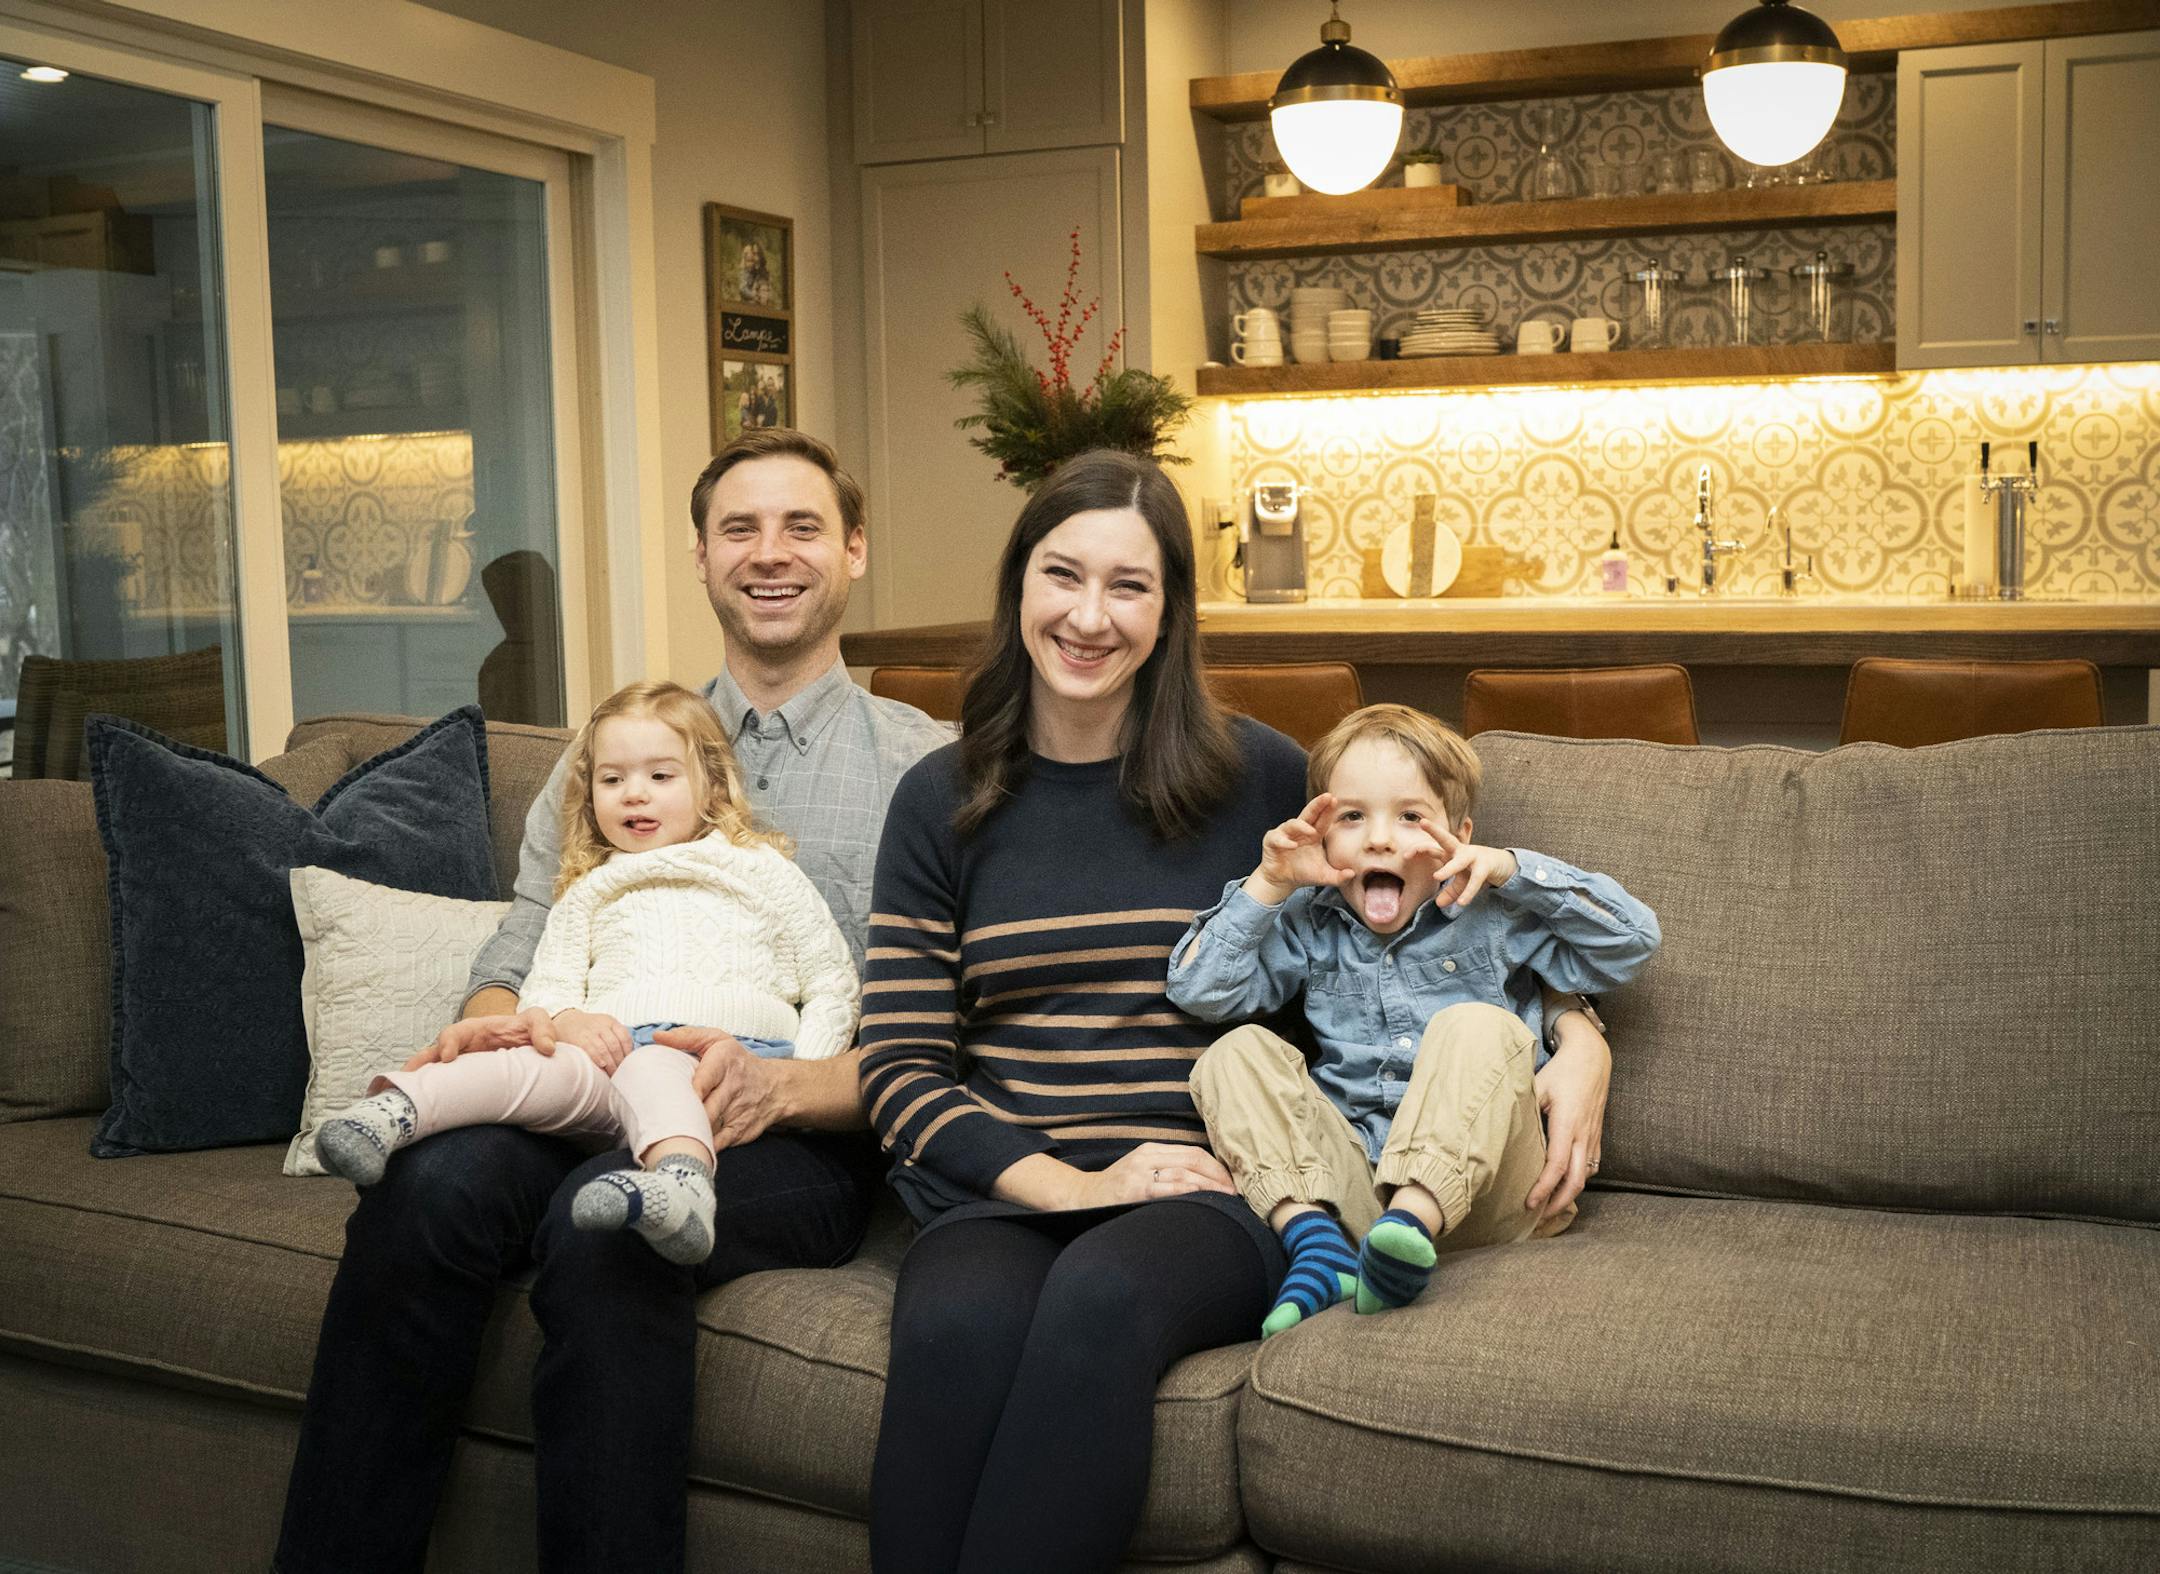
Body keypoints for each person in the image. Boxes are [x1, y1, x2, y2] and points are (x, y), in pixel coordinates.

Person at [275, 429, 950, 1574]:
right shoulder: (612, 751)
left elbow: (929, 1024)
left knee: (612, 1229)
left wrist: (785, 1085)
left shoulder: (924, 767)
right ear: (701, 556)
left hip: (793, 1130)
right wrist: (504, 1013)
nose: (769, 553)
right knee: (421, 1191)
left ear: (854, 548)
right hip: (586, 1077)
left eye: (802, 527)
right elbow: (529, 931)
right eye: (739, 528)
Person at [856, 449, 1296, 1573]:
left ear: (1170, 610)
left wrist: (1575, 1029)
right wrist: (1071, 1184)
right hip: (1011, 1187)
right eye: (1063, 574)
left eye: (1128, 586)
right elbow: (897, 1067)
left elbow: (1432, 917)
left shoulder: (1261, 778)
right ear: (1019, 582)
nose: (1089, 617)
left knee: (1100, 1293)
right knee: (954, 1321)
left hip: (1213, 1188)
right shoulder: (941, 798)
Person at [314, 679, 860, 1268]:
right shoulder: (590, 887)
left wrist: (797, 1069)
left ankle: (682, 1185)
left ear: (712, 783)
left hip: (720, 1063)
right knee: (521, 1068)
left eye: (660, 776)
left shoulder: (761, 869)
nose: (634, 795)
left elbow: (832, 983)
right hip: (608, 1064)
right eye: (612, 780)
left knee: (654, 1066)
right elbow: (548, 985)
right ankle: (390, 1112)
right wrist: (567, 1021)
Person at [1168, 704, 1660, 1338]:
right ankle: (1318, 1245)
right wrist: (1270, 882)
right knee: (1234, 1053)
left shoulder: (1495, 913)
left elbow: (1630, 942)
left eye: (1410, 817)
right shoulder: (1310, 920)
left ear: (1459, 833)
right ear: (1322, 835)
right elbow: (1200, 990)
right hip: (1357, 1195)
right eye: (1352, 816)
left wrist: (1510, 868)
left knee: (1475, 1026)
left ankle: (1412, 1221)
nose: (1380, 839)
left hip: (1493, 1194)